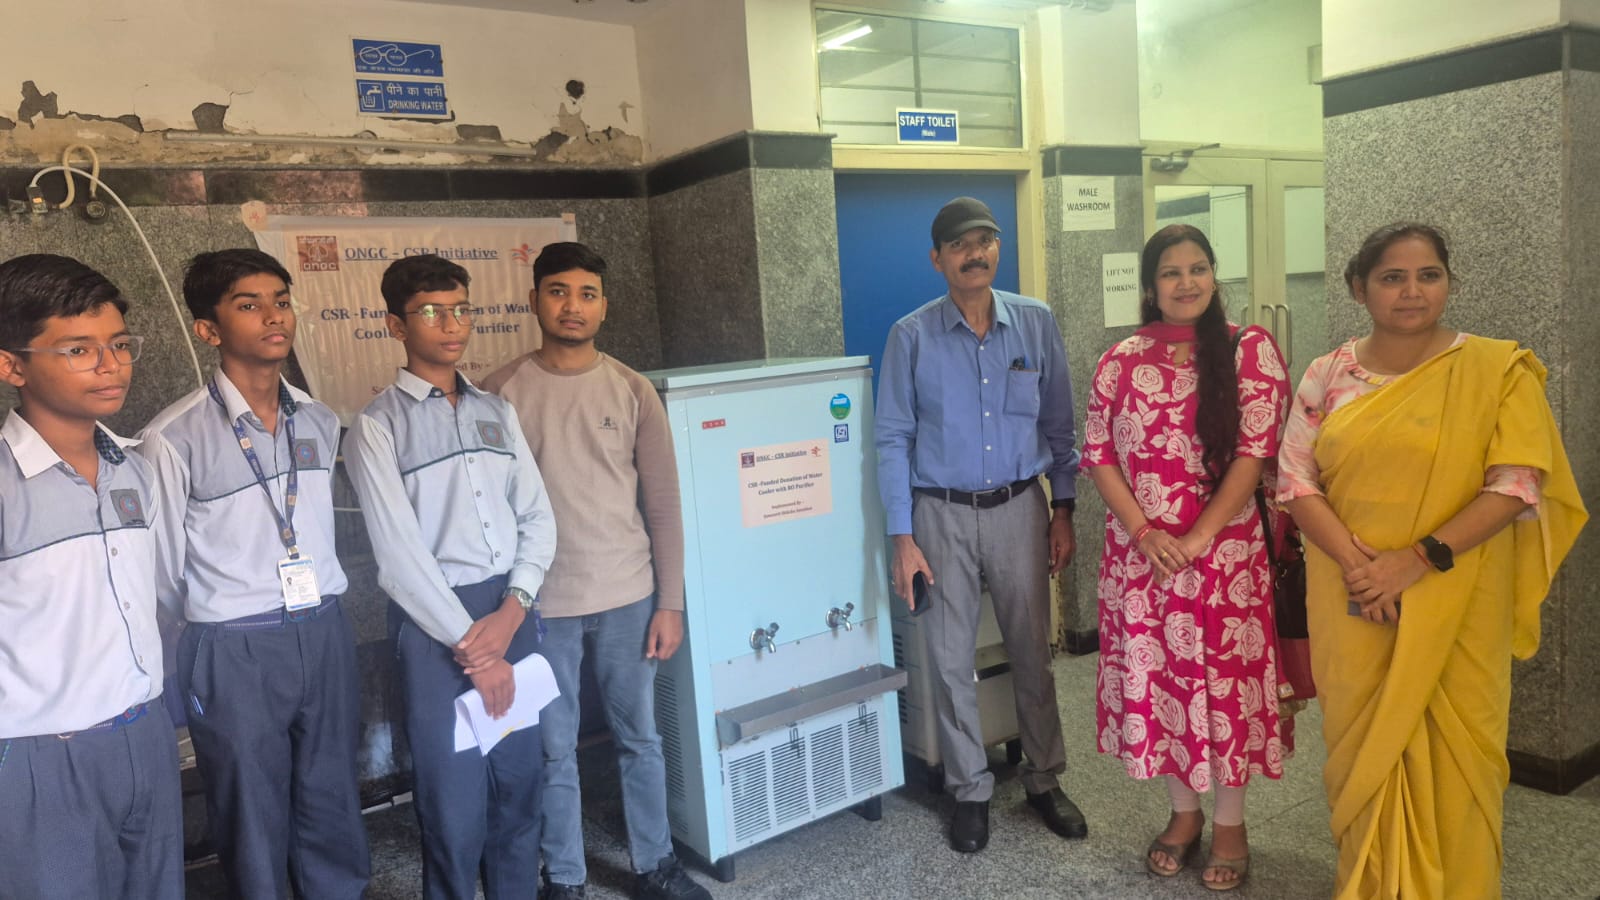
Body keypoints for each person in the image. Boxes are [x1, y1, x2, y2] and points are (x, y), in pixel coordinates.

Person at [1277, 223, 1585, 899]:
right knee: (1363, 744)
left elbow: (1516, 484)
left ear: (1449, 281)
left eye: (1428, 275)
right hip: (1350, 595)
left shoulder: (1498, 371)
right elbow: (1295, 481)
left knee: (1461, 748)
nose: (1412, 291)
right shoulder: (1327, 374)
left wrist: (1415, 561)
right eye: (1392, 277)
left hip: (1457, 593)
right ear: (1359, 288)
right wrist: (1362, 568)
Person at [137, 248, 370, 899]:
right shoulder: (173, 436)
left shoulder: (318, 418)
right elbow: (161, 569)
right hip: (234, 642)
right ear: (208, 329)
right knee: (249, 802)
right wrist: (217, 617)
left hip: (322, 627)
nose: (274, 316)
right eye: (249, 304)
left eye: (281, 301)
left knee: (331, 788)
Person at [481, 241, 709, 900]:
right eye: (558, 291)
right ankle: (566, 878)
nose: (572, 306)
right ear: (534, 300)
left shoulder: (632, 389)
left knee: (640, 738)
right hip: (539, 605)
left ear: (604, 306)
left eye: (586, 294)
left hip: (628, 598)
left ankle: (654, 865)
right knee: (551, 748)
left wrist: (671, 603)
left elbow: (663, 505)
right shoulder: (499, 393)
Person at [875, 196, 1086, 853]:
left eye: (985, 240)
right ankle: (969, 789)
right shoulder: (911, 336)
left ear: (998, 248)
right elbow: (891, 439)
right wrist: (902, 538)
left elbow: (1060, 423)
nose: (975, 254)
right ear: (937, 259)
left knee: (1032, 651)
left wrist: (1063, 508)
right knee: (948, 658)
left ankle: (1044, 778)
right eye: (960, 245)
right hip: (939, 514)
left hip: (1020, 507)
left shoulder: (1035, 322)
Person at [343, 254, 558, 899]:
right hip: (437, 628)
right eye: (432, 312)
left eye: (462, 309)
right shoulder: (377, 426)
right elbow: (399, 560)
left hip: (509, 611)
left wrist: (514, 609)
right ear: (396, 325)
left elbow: (537, 517)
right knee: (453, 805)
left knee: (520, 786)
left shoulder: (497, 410)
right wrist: (475, 649)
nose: (452, 324)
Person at [1082, 224, 1289, 891]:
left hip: (1226, 561)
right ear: (1151, 285)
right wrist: (1145, 533)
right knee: (1163, 685)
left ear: (1214, 275)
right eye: (1171, 272)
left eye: (1198, 268)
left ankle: (1230, 824)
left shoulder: (1248, 348)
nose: (1187, 282)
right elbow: (1098, 454)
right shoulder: (1120, 360)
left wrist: (1197, 539)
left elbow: (1255, 454)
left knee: (1224, 689)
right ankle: (1184, 813)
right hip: (1142, 562)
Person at [0, 254, 183, 900]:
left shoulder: (133, 467)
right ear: (11, 365)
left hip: (143, 733)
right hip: (41, 753)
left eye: (119, 345)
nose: (111, 365)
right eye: (78, 349)